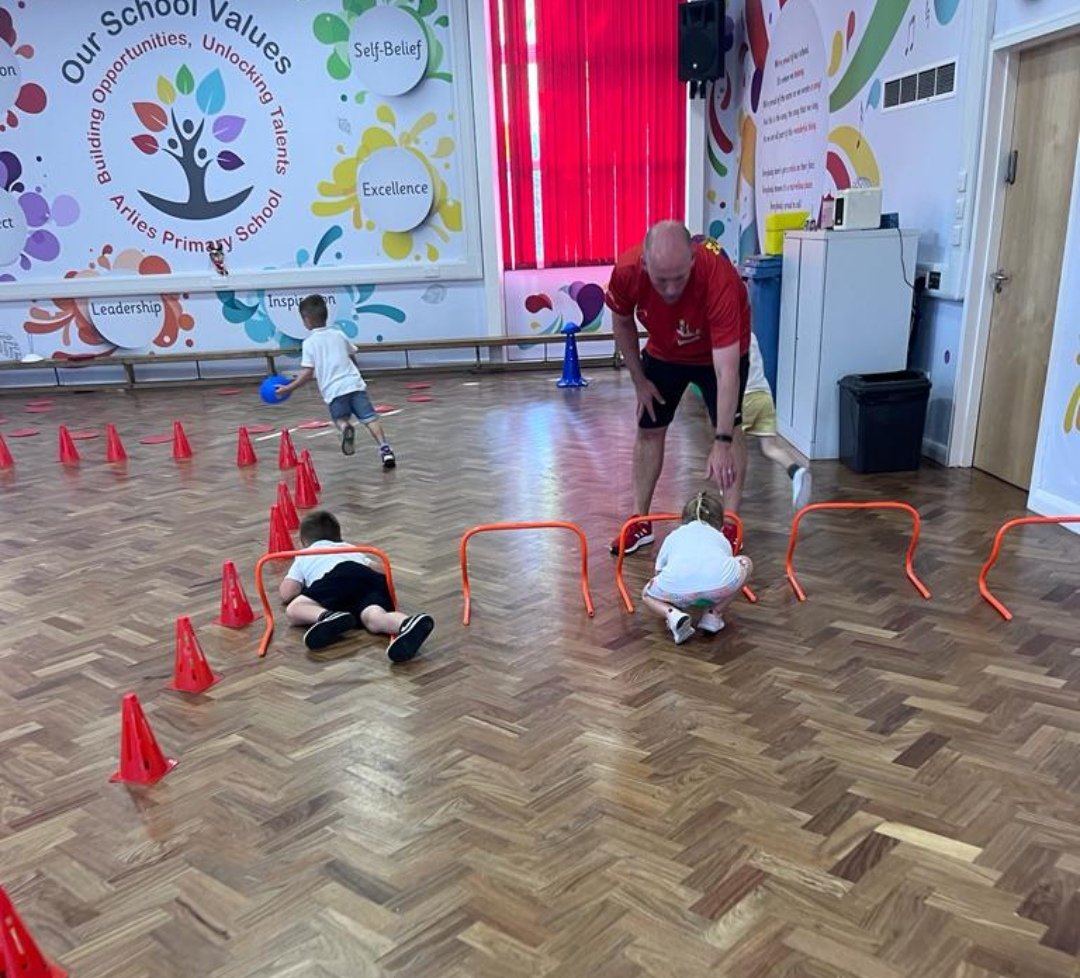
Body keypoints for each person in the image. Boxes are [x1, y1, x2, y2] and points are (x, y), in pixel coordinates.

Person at [606, 222, 750, 555]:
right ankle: (640, 522)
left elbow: (727, 371)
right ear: (645, 264)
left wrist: (723, 441)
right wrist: (639, 381)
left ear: (692, 262)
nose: (670, 290)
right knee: (649, 426)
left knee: (730, 429)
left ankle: (730, 524)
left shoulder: (719, 278)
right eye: (661, 280)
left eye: (679, 279)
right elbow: (622, 321)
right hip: (664, 351)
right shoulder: (627, 271)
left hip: (719, 352)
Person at [279, 509, 434, 662]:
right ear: (338, 537)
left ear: (304, 542)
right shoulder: (349, 547)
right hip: (369, 579)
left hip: (337, 577)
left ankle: (326, 616)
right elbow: (381, 570)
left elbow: (288, 592)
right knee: (373, 617)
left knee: (294, 609)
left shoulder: (305, 554)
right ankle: (406, 623)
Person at [274, 294, 396, 468]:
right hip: (354, 384)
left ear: (306, 320)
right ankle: (385, 450)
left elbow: (307, 373)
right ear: (326, 315)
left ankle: (346, 427)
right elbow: (352, 355)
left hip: (334, 390)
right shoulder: (338, 335)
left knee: (339, 418)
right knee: (370, 418)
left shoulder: (309, 343)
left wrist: (288, 388)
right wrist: (356, 375)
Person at [641, 491, 752, 644]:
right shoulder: (721, 537)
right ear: (720, 523)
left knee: (646, 594)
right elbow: (726, 562)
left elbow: (658, 570)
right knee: (746, 562)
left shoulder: (673, 536)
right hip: (719, 586)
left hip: (677, 590)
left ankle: (672, 614)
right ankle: (714, 614)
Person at [740, 331, 812, 509]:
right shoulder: (752, 336)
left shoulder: (728, 335)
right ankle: (795, 471)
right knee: (770, 447)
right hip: (764, 395)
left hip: (744, 397)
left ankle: (729, 491)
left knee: (732, 447)